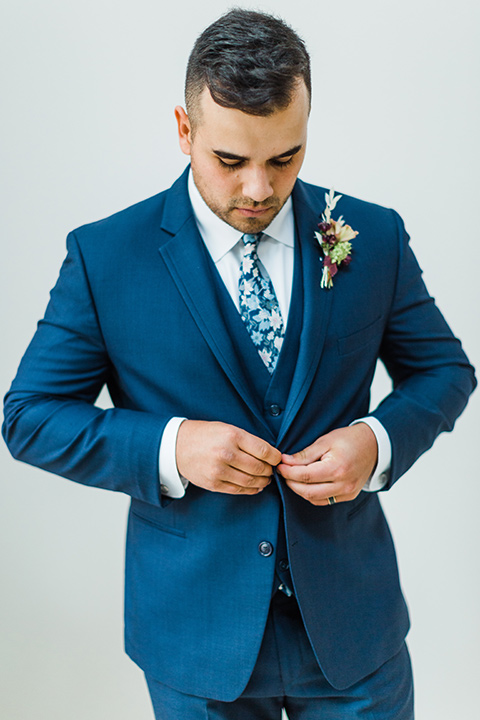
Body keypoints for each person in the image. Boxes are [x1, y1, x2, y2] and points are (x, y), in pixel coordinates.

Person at [2, 8, 475, 720]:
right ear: (184, 129)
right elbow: (28, 417)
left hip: (354, 635)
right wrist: (172, 447)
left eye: (284, 157)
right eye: (231, 160)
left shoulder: (369, 236)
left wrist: (373, 443)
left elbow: (445, 370)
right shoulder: (107, 257)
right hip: (197, 643)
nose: (259, 188)